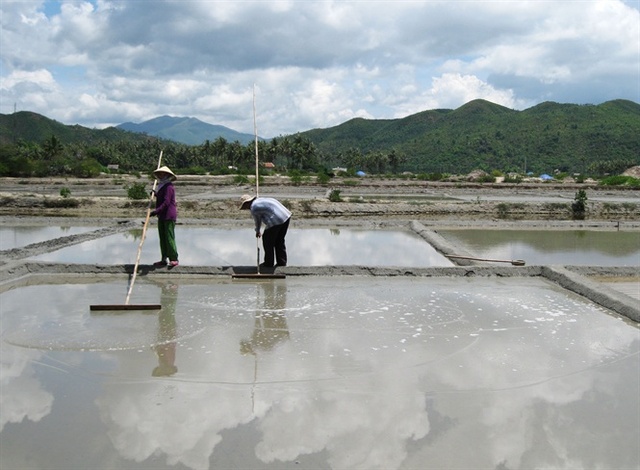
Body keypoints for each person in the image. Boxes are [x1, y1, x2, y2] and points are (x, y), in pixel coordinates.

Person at [239, 194, 291, 268]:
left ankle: (268, 263)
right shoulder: (261, 200)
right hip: (286, 216)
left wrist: (257, 231)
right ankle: (281, 263)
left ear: (247, 203)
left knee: (267, 240)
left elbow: (258, 221)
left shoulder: (254, 207)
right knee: (279, 240)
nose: (247, 208)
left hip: (276, 219)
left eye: (245, 206)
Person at [150, 166, 179, 267]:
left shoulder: (169, 187)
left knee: (169, 237)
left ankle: (174, 258)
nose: (160, 175)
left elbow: (166, 202)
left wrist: (156, 211)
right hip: (162, 216)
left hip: (169, 215)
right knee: (162, 238)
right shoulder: (162, 186)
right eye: (159, 174)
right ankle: (163, 259)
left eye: (162, 174)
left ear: (167, 175)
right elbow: (162, 198)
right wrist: (156, 194)